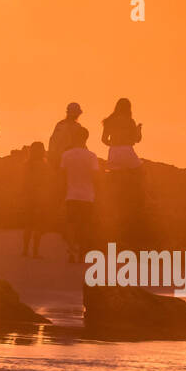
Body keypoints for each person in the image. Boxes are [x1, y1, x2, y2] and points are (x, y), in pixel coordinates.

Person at [101, 98, 144, 244]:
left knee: (114, 175)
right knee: (139, 172)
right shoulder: (130, 121)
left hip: (113, 152)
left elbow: (103, 140)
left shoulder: (108, 121)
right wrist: (139, 129)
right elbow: (136, 139)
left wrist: (114, 143)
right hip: (127, 151)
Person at [59, 126, 100, 263]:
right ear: (86, 138)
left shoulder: (66, 155)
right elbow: (95, 177)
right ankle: (83, 250)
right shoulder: (92, 156)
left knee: (71, 224)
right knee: (86, 225)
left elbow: (62, 177)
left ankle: (71, 250)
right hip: (88, 196)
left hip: (71, 195)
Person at [20, 141, 53, 257]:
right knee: (38, 225)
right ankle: (35, 251)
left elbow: (23, 183)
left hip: (29, 198)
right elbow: (48, 183)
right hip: (41, 198)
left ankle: (25, 250)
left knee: (28, 225)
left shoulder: (26, 165)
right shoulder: (45, 166)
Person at [48, 102, 86, 166]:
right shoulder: (62, 125)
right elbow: (54, 142)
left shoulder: (75, 126)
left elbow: (81, 142)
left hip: (69, 158)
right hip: (63, 159)